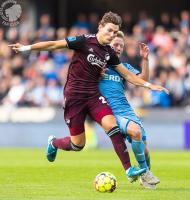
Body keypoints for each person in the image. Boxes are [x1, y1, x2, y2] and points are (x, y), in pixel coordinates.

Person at [9, 11, 169, 181]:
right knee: (77, 144)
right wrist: (27, 48)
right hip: (74, 96)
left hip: (93, 96)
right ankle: (54, 143)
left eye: (115, 32)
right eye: (109, 30)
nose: (111, 35)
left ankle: (129, 170)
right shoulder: (84, 41)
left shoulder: (109, 53)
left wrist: (149, 85)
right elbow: (55, 45)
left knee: (111, 125)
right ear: (100, 27)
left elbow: (129, 75)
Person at [99, 31, 160, 189]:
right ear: (108, 44)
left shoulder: (123, 68)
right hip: (110, 112)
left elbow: (143, 80)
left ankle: (145, 177)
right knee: (136, 132)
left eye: (121, 46)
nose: (118, 48)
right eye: (115, 45)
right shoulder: (98, 65)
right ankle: (145, 173)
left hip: (127, 110)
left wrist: (145, 60)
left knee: (145, 148)